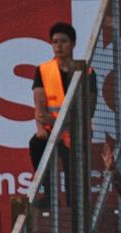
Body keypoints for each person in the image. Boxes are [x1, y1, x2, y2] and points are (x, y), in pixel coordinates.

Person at [29, 22, 77, 168]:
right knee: (36, 143)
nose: (58, 46)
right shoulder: (43, 70)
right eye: (55, 42)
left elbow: (88, 109)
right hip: (51, 129)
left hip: (76, 131)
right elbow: (40, 108)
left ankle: (73, 190)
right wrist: (41, 128)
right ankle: (46, 188)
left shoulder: (85, 71)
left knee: (74, 176)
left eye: (63, 41)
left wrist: (66, 124)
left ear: (73, 44)